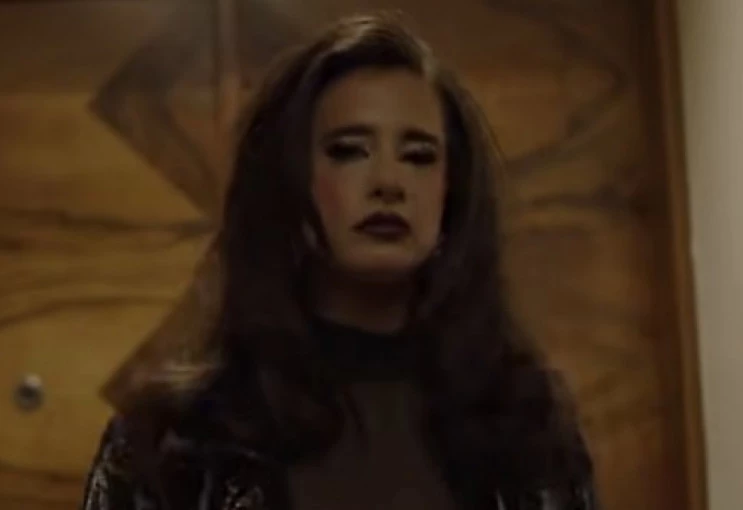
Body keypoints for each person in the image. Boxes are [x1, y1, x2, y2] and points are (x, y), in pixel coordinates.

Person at [82, 13, 598, 510]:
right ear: (290, 182)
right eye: (349, 151)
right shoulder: (174, 446)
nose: (388, 182)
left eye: (418, 156)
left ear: (452, 195)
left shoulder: (529, 435)